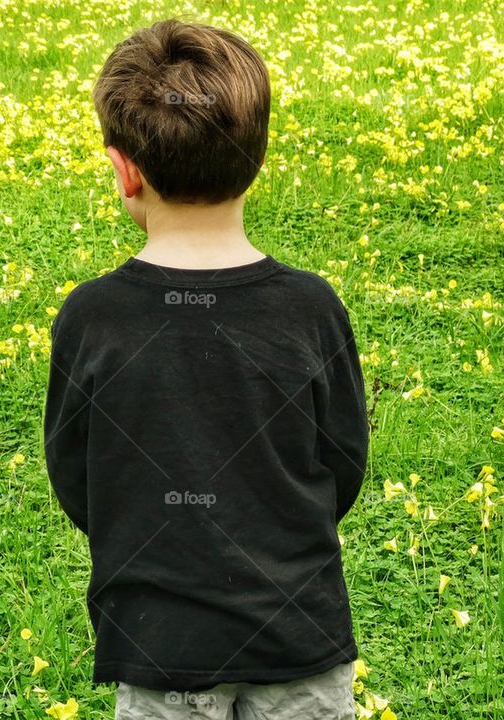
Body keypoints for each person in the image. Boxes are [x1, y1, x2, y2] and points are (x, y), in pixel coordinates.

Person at [43, 18, 369, 719]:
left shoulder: (92, 317)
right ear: (256, 156)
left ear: (123, 169)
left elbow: (76, 477)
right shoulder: (311, 307)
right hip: (299, 636)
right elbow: (342, 461)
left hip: (162, 647)